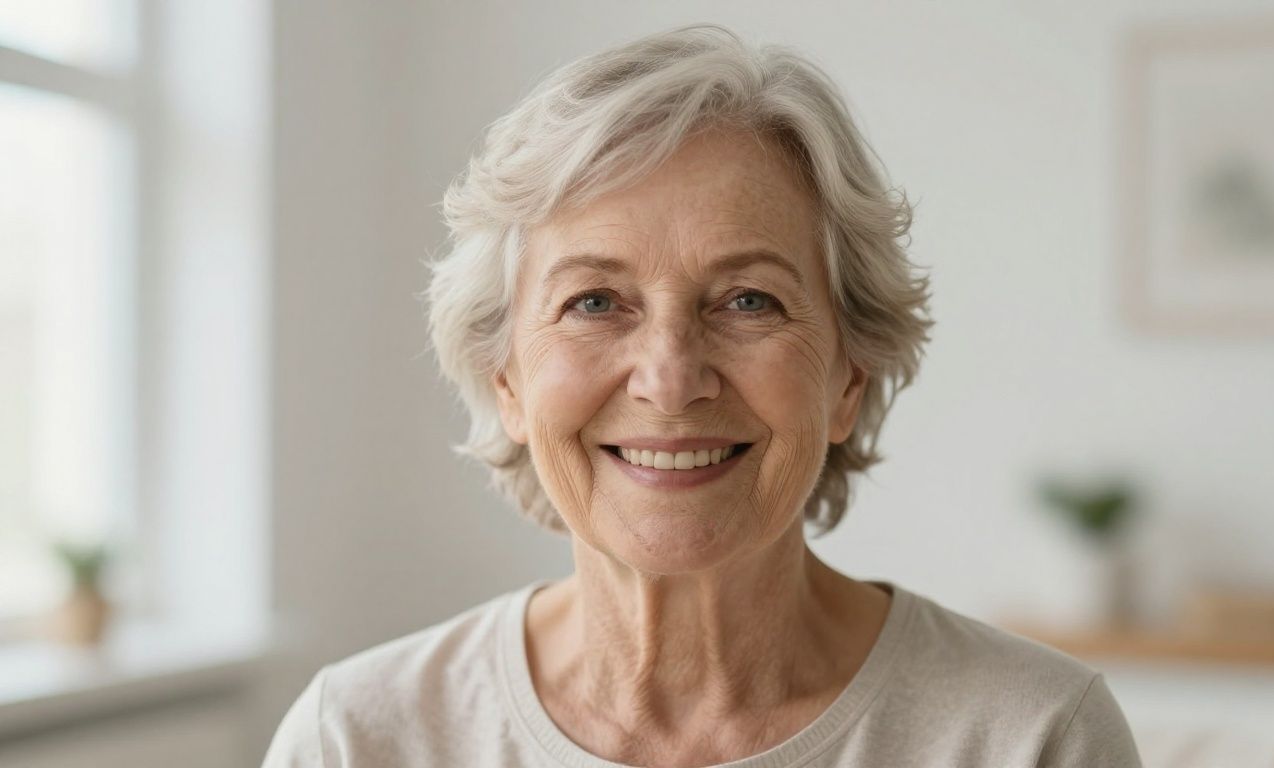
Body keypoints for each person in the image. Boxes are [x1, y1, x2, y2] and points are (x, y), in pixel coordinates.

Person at [262, 24, 1142, 767]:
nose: (670, 378)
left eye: (748, 301)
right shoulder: (358, 738)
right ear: (507, 381)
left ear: (848, 376)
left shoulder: (1033, 738)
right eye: (594, 302)